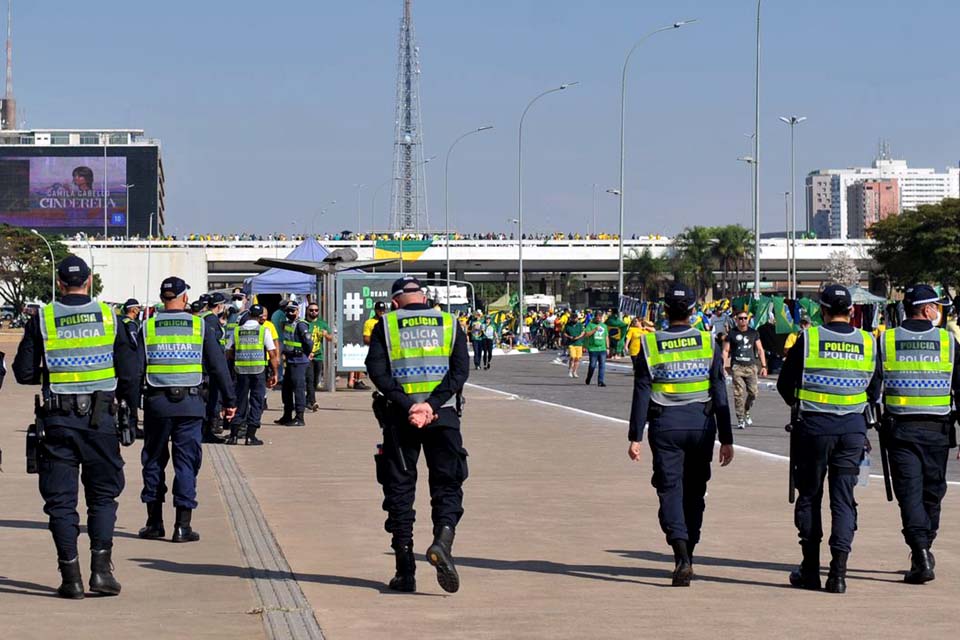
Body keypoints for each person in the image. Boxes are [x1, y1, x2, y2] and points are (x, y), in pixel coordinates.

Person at [13, 255, 137, 598]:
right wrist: (130, 412)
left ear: (59, 283)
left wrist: (54, 374)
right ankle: (101, 572)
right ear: (89, 281)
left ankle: (71, 579)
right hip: (101, 420)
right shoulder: (110, 317)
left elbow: (23, 372)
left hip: (57, 421)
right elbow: (129, 373)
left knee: (61, 502)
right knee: (103, 496)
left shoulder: (43, 319)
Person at [365, 276, 470, 594]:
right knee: (447, 483)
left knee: (399, 489)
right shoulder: (450, 322)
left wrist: (410, 405)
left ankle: (405, 570)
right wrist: (432, 405)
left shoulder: (386, 325)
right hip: (444, 416)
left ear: (394, 302)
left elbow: (377, 371)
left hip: (401, 417)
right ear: (424, 298)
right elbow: (460, 371)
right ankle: (443, 540)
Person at [626, 284, 734, 586]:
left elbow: (641, 391)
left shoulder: (650, 343)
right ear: (692, 311)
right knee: (695, 491)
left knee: (670, 489)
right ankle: (689, 552)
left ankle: (681, 555)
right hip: (701, 424)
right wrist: (727, 438)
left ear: (664, 311)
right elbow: (719, 390)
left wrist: (635, 436)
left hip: (665, 425)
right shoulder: (707, 341)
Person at [777, 284, 881, 594]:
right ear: (851, 311)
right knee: (843, 499)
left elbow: (784, 384)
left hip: (814, 428)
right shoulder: (868, 341)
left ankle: (810, 571)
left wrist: (801, 404)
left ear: (822, 311)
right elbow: (875, 389)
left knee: (810, 496)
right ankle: (838, 574)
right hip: (852, 431)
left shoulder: (809, 339)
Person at [138, 277, 237, 544]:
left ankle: (154, 523)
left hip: (157, 405)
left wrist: (129, 406)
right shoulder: (198, 325)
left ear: (162, 298)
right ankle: (182, 527)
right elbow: (218, 366)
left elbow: (135, 369)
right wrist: (230, 401)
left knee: (154, 461)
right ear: (184, 298)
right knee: (186, 463)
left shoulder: (147, 327)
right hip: (190, 405)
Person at [879, 284, 960, 584]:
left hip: (900, 430)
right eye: (936, 306)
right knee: (932, 493)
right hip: (937, 430)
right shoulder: (948, 341)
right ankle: (924, 548)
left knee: (909, 494)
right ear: (927, 310)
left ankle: (920, 551)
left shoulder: (886, 340)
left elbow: (873, 385)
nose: (939, 311)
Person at [226, 304, 278, 446]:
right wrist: (275, 373)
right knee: (256, 402)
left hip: (241, 371)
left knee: (240, 401)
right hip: (258, 371)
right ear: (261, 317)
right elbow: (272, 354)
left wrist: (236, 360)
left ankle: (233, 435)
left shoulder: (237, 331)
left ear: (248, 314)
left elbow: (228, 351)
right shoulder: (263, 331)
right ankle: (250, 436)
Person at [723, 311, 767, 429]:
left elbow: (760, 349)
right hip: (737, 366)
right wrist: (723, 366)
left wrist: (764, 366)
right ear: (736, 320)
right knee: (738, 394)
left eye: (745, 318)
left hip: (751, 366)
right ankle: (740, 418)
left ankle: (746, 409)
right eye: (740, 318)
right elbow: (726, 351)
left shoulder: (753, 333)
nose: (743, 320)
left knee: (753, 393)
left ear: (748, 319)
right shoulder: (732, 333)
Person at [274, 302, 313, 426]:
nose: (289, 313)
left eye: (292, 311)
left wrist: (305, 353)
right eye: (287, 311)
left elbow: (309, 342)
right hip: (290, 360)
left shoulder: (301, 325)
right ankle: (287, 415)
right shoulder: (288, 324)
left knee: (298, 389)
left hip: (299, 361)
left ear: (297, 311)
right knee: (286, 389)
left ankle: (299, 417)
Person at [199, 292, 228, 443]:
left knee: (210, 399)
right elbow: (213, 344)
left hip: (207, 365)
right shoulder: (211, 319)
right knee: (211, 399)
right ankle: (206, 432)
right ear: (219, 306)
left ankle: (206, 430)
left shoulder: (205, 318)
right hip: (210, 367)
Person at [117, 298, 145, 439]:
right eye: (138, 308)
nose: (139, 311)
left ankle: (122, 424)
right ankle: (132, 427)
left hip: (119, 366)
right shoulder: (131, 324)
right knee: (132, 399)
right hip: (131, 367)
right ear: (133, 309)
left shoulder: (118, 322)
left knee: (121, 398)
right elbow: (135, 342)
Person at [304, 302, 333, 411]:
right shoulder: (304, 323)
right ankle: (313, 402)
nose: (314, 312)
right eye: (311, 310)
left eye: (316, 310)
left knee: (316, 380)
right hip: (307, 356)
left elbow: (331, 338)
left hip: (318, 355)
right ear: (307, 311)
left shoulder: (322, 323)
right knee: (310, 379)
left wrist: (326, 335)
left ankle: (307, 400)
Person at [582, 314, 609, 387]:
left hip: (602, 348)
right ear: (595, 318)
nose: (599, 319)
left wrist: (608, 347)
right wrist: (594, 330)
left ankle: (600, 381)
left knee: (602, 365)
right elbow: (586, 335)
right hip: (593, 349)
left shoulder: (604, 326)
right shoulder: (590, 325)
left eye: (600, 318)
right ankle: (589, 377)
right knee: (592, 365)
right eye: (597, 318)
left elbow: (606, 337)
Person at [564, 311, 585, 378]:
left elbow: (583, 332)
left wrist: (578, 337)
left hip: (579, 343)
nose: (574, 320)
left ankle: (575, 371)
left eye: (575, 318)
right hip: (571, 343)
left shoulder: (580, 325)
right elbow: (564, 333)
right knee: (572, 357)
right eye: (573, 318)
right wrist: (569, 337)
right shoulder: (567, 325)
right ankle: (570, 370)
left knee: (577, 358)